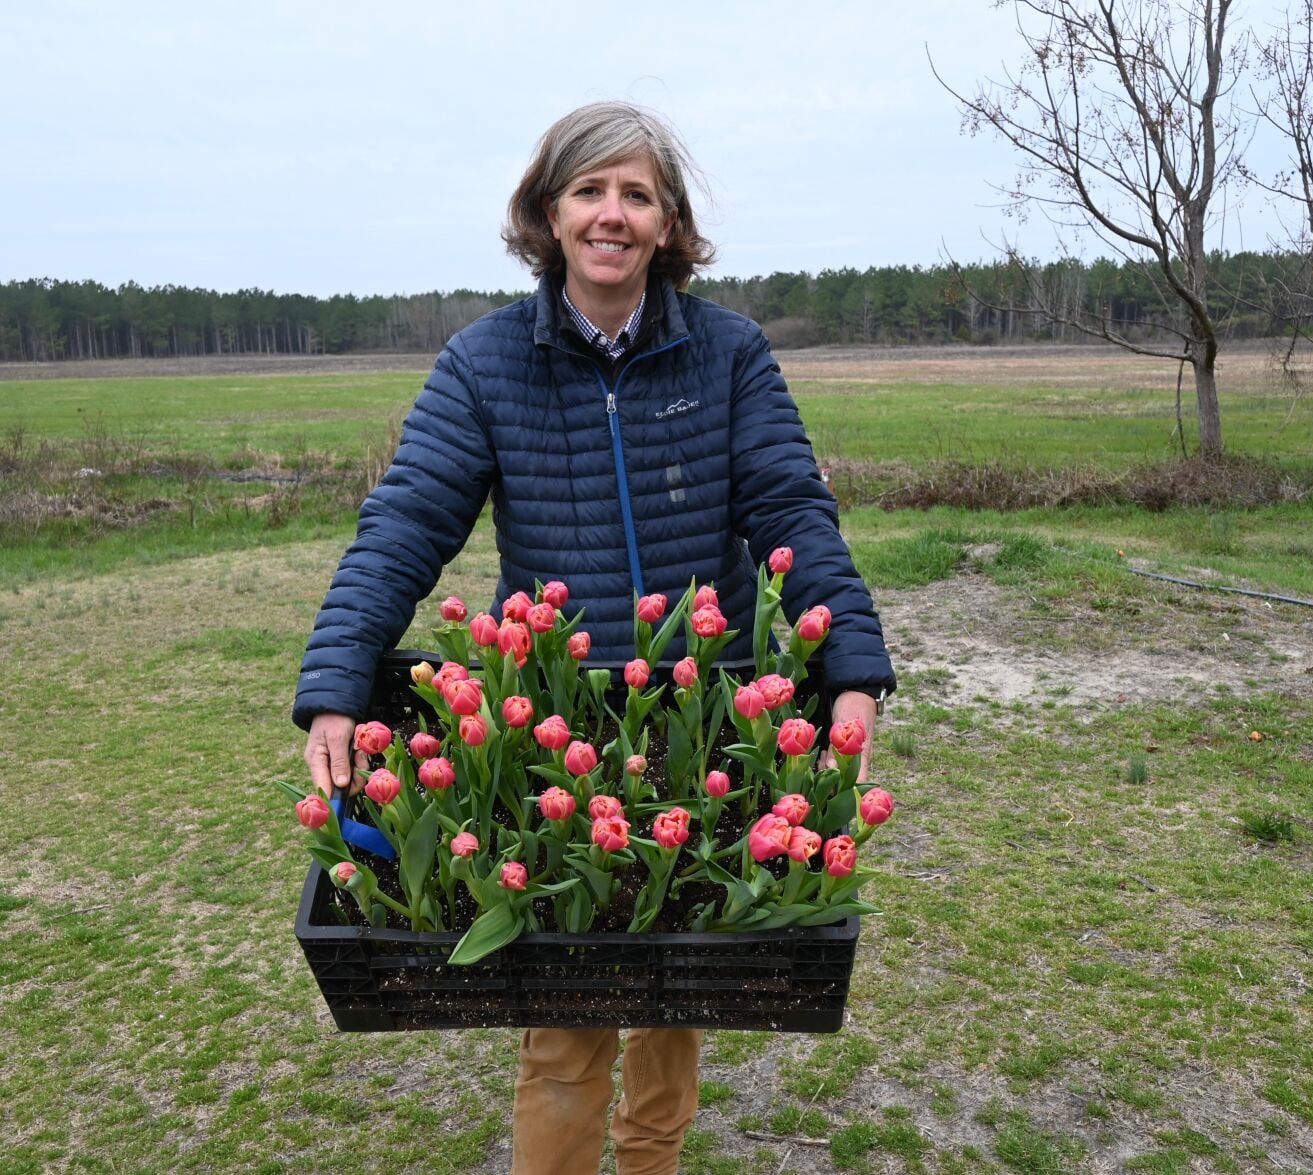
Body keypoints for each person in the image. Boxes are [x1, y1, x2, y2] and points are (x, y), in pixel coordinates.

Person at [293, 100, 896, 1175]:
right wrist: (337, 682)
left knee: (674, 1001)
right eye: (588, 190)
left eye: (636, 194)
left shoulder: (728, 353)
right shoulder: (485, 362)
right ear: (548, 211)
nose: (610, 214)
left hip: (699, 722)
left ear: (667, 223)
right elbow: (405, 523)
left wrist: (850, 670)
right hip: (562, 724)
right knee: (566, 1014)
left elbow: (794, 514)